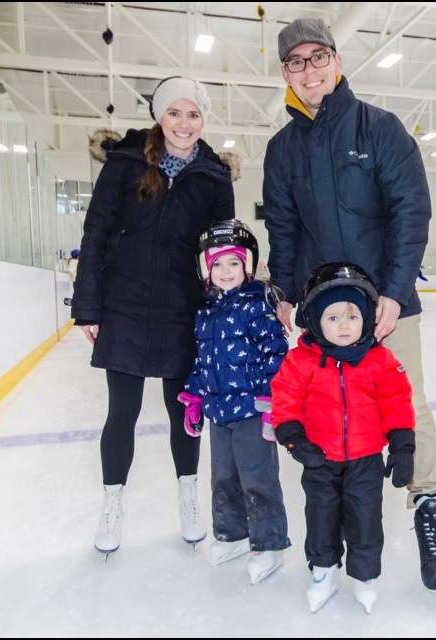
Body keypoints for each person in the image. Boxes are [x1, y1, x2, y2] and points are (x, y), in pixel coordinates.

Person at [262, 18, 436, 597]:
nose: (310, 69)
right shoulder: (282, 148)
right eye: (297, 62)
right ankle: (336, 527)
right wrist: (285, 294)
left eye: (318, 57)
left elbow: (410, 213)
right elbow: (285, 230)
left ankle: (428, 507)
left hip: (388, 305)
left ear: (337, 61)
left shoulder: (381, 129)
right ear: (286, 73)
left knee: (407, 404)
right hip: (324, 313)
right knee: (330, 413)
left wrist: (395, 291)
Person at [71, 76, 236, 558]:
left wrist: (222, 312)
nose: (184, 124)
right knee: (121, 412)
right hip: (124, 304)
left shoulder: (212, 176)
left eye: (194, 115)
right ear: (159, 117)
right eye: (175, 113)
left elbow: (221, 248)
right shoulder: (124, 163)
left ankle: (188, 496)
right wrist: (88, 305)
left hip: (183, 309)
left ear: (203, 121)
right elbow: (96, 230)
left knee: (184, 413)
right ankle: (112, 504)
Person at [272, 263, 416, 614]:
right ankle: (323, 571)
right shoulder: (301, 361)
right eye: (332, 318)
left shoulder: (379, 360)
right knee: (321, 515)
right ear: (316, 321)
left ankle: (365, 575)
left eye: (352, 316)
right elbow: (285, 398)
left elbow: (397, 401)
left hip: (366, 460)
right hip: (319, 459)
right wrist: (293, 436)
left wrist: (403, 443)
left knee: (365, 517)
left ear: (366, 318)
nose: (344, 325)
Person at [178, 220, 290, 585]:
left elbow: (276, 352)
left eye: (234, 264)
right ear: (206, 269)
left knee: (258, 478)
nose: (226, 272)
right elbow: (202, 358)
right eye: (218, 264)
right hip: (218, 412)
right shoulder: (205, 311)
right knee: (223, 478)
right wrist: (195, 396)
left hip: (252, 413)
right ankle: (232, 534)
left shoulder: (257, 304)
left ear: (248, 266)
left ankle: (269, 543)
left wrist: (271, 400)